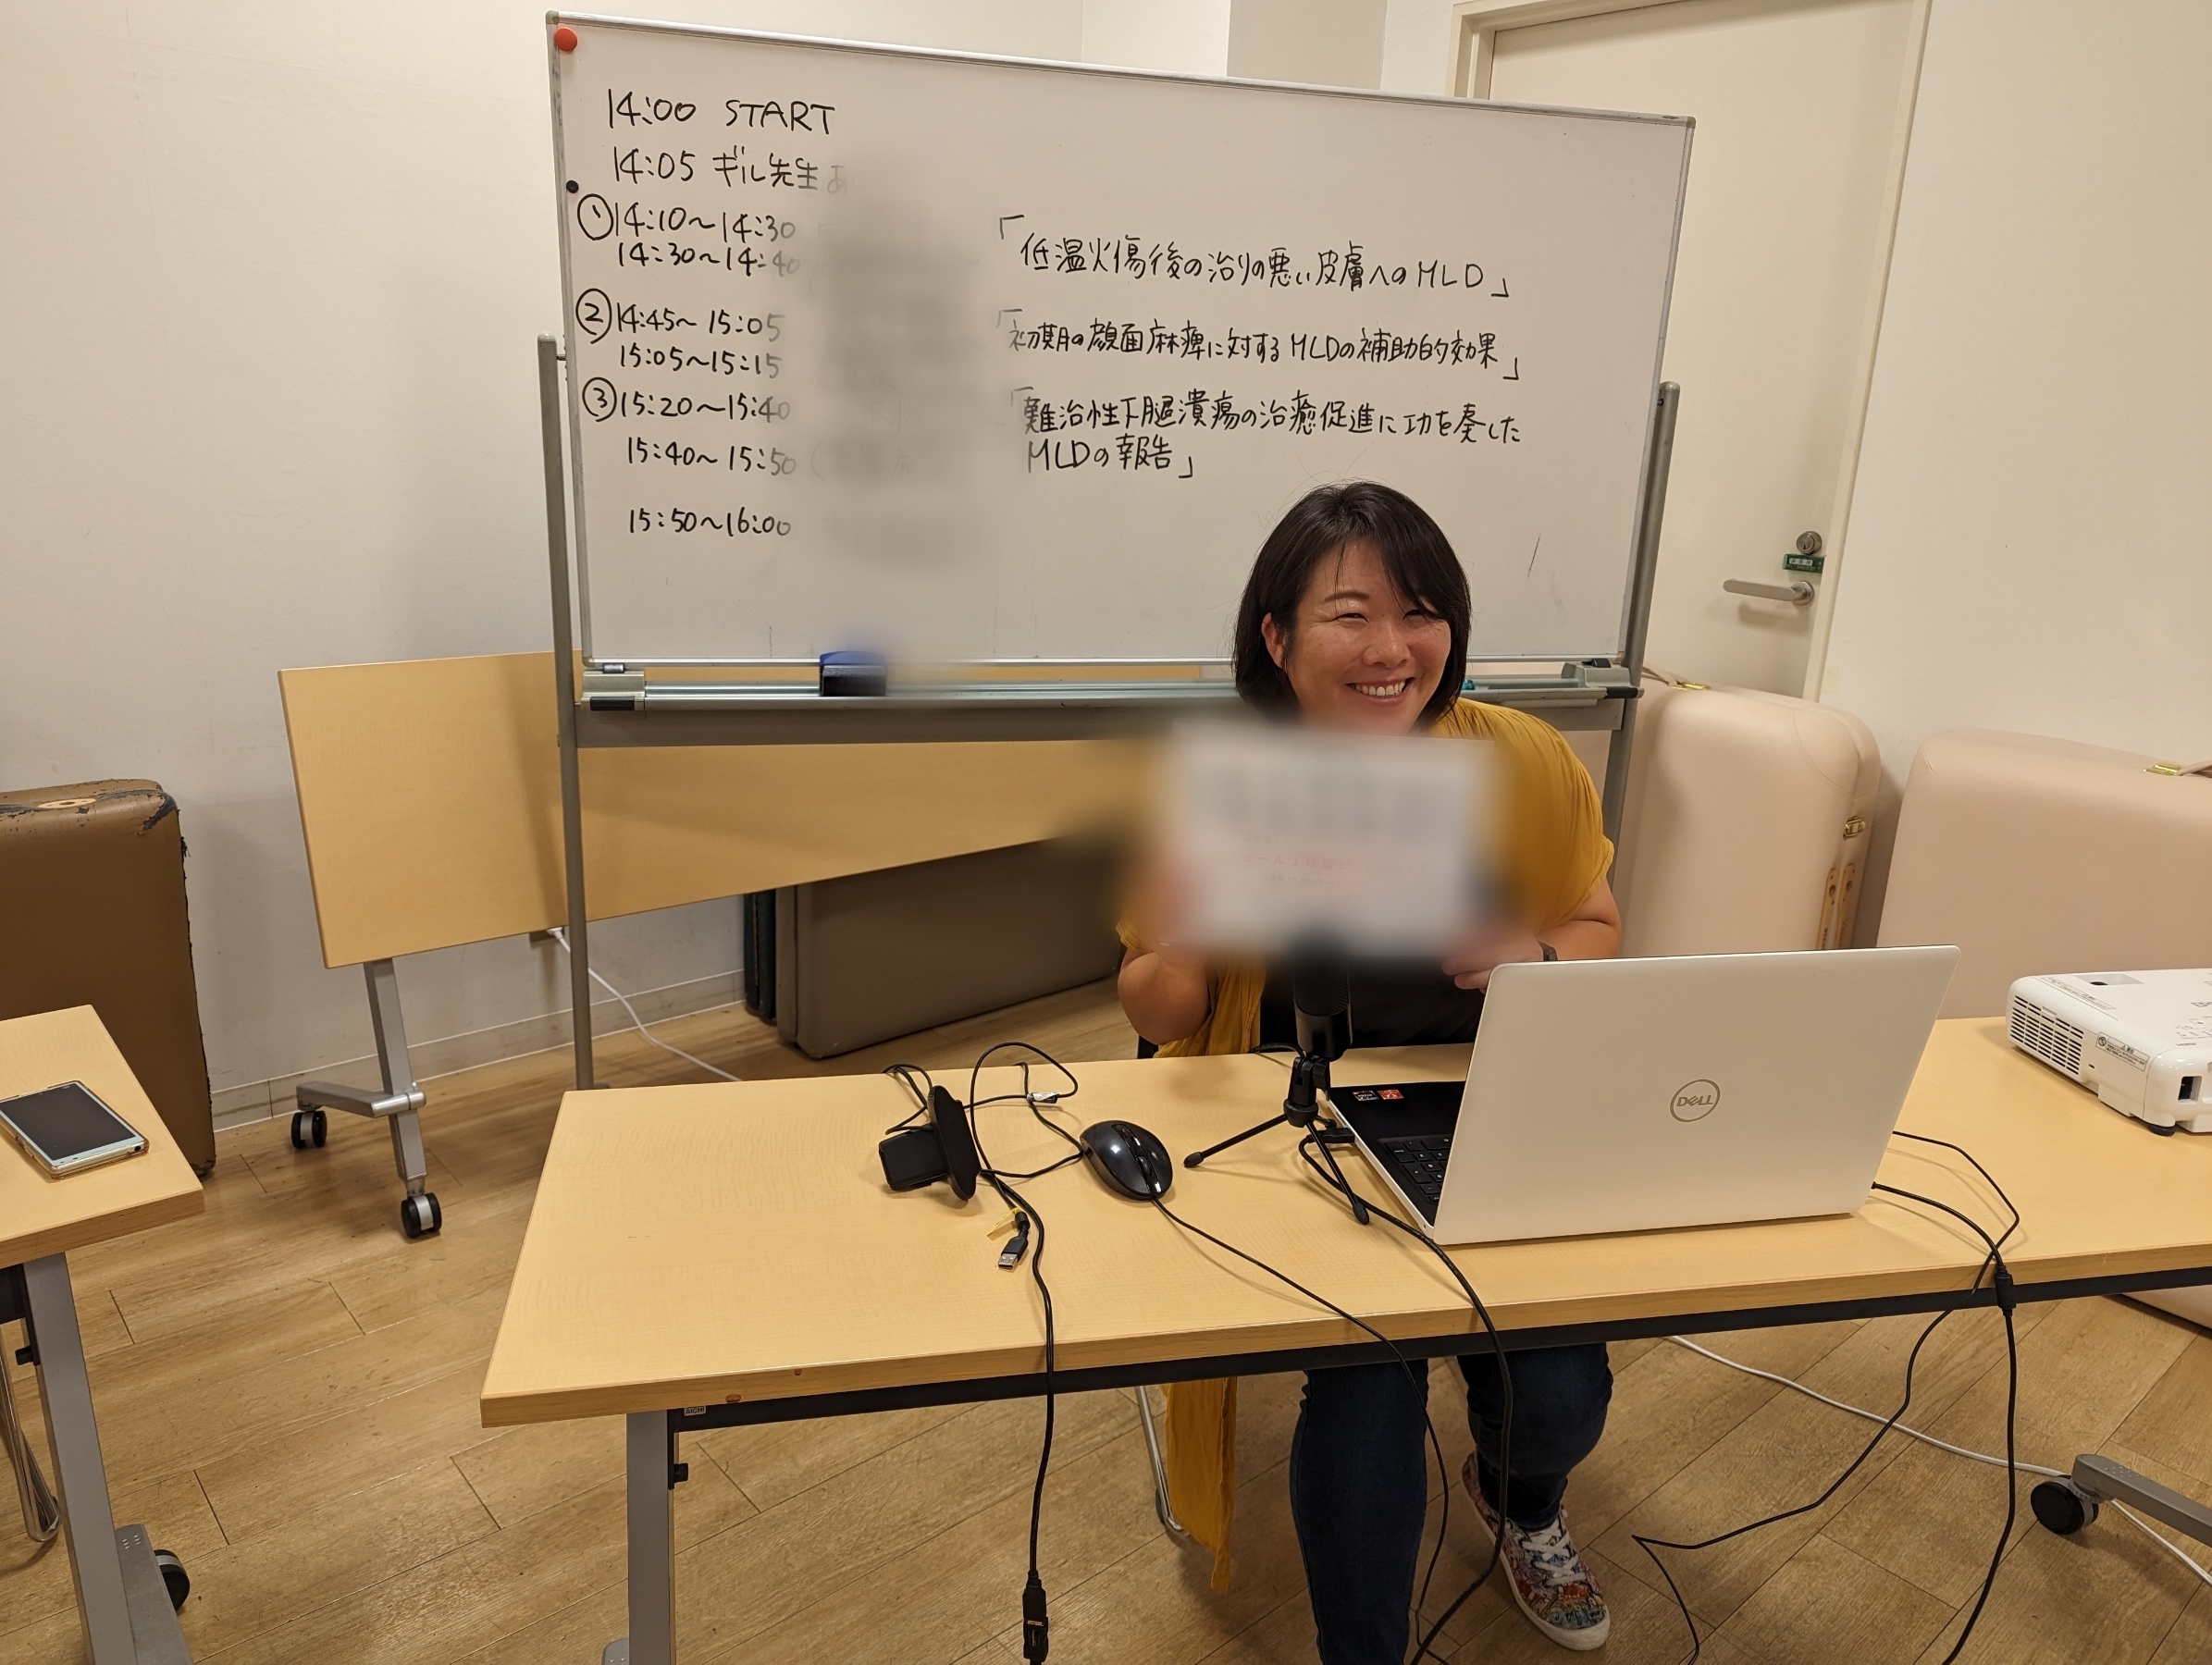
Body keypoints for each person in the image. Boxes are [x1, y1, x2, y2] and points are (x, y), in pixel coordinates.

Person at [1118, 482, 1620, 1660]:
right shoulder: (1223, 780)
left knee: (1559, 1394)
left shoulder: (1520, 760)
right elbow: (1152, 1006)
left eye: (1422, 613)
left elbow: (1597, 925)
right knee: (1365, 1384)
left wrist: (1538, 955)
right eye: (1351, 616)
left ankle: (1521, 1499)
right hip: (1300, 1122)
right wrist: (1185, 943)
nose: (1393, 649)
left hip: (1482, 1103)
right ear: (1277, 638)